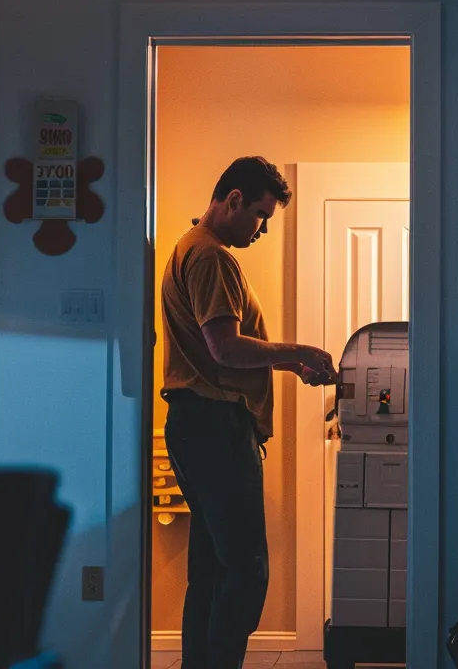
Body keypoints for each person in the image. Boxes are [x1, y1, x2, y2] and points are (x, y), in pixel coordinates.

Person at [160, 156, 336, 668]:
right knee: (246, 569)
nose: (262, 230)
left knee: (213, 568)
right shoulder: (213, 257)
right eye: (262, 216)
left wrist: (285, 365)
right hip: (215, 429)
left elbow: (217, 354)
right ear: (233, 199)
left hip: (196, 425)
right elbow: (225, 349)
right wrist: (298, 351)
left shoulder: (186, 247)